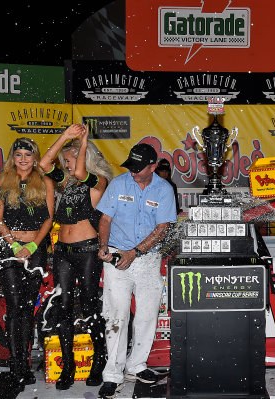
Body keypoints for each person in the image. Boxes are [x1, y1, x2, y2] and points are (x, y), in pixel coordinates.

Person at [96, 143, 177, 399]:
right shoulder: (119, 184)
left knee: (147, 315)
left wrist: (136, 253)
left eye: (139, 169)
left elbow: (163, 228)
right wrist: (103, 246)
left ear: (153, 166)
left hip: (148, 260)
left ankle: (136, 365)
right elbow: (105, 219)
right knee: (115, 316)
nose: (133, 172)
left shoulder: (164, 190)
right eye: (131, 167)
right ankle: (112, 374)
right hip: (117, 256)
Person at [39, 123, 112, 389]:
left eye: (69, 161)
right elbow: (44, 162)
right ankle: (67, 365)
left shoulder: (98, 181)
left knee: (91, 306)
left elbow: (81, 171)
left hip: (88, 251)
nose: (67, 166)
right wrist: (66, 137)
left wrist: (81, 143)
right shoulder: (66, 183)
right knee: (64, 307)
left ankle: (99, 361)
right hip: (63, 252)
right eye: (66, 162)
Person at [0, 137, 54, 391]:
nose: (24, 159)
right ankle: (15, 364)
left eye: (28, 155)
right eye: (19, 155)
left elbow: (48, 220)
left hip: (35, 250)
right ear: (12, 157)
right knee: (15, 306)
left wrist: (32, 246)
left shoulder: (46, 182)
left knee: (28, 308)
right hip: (9, 250)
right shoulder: (2, 180)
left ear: (35, 157)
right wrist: (16, 246)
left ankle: (24, 365)